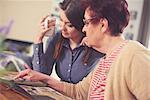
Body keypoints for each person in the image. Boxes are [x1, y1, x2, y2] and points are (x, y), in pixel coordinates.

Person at [15, 0, 150, 100]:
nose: (84, 29)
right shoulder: (107, 60)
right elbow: (78, 92)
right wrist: (43, 78)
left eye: (86, 23)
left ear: (103, 25)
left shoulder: (133, 54)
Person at [32, 0, 104, 84]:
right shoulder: (57, 37)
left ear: (82, 25)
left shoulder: (95, 44)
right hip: (61, 92)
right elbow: (41, 75)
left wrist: (98, 45)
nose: (62, 28)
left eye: (69, 25)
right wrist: (38, 39)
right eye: (61, 20)